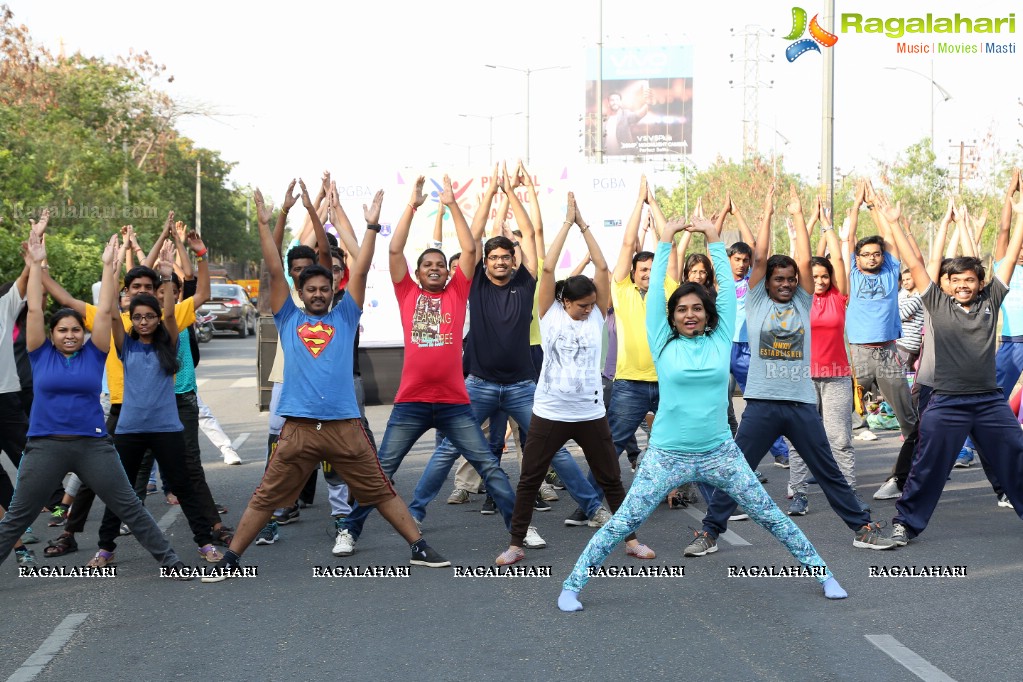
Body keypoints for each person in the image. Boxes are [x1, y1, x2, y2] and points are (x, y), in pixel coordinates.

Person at [558, 204, 847, 612]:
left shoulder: (720, 337)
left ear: (707, 314)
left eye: (696, 308)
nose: (689, 314)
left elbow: (726, 289)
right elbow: (659, 286)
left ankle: (824, 574)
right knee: (624, 521)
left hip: (720, 454)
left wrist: (714, 238)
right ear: (671, 316)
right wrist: (664, 240)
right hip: (665, 456)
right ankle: (572, 585)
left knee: (771, 518)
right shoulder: (662, 341)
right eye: (681, 309)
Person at [205, 181, 448, 583]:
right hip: (298, 428)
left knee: (380, 490)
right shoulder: (288, 317)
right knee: (266, 496)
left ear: (334, 288)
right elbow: (271, 268)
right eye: (310, 289)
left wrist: (370, 228)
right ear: (299, 291)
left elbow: (364, 267)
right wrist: (268, 222)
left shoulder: (345, 315)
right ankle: (232, 557)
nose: (318, 294)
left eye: (324, 288)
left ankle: (418, 546)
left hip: (344, 428)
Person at [683, 186, 896, 559]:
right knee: (737, 471)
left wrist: (798, 216)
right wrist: (766, 213)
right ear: (765, 283)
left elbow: (801, 259)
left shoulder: (803, 299)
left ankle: (862, 528)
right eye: (778, 279)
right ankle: (709, 533)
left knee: (828, 470)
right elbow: (761, 258)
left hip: (799, 404)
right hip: (762, 404)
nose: (785, 283)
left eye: (790, 279)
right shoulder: (755, 299)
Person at [408, 165, 604, 536]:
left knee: (554, 451)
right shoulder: (476, 283)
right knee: (448, 450)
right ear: (486, 262)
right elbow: (475, 235)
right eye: (493, 257)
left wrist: (513, 193)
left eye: (506, 257)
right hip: (479, 385)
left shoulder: (527, 281)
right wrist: (487, 195)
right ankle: (414, 511)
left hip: (522, 387)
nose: (500, 262)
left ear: (514, 260)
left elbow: (530, 233)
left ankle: (593, 508)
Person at [336, 175, 520, 554]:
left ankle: (518, 530)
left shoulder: (457, 290)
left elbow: (470, 251)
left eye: (440, 264)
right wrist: (412, 205)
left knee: (488, 465)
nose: (435, 267)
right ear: (418, 274)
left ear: (448, 273)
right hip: (412, 402)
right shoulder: (407, 293)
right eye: (428, 265)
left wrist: (452, 204)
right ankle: (350, 530)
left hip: (454, 403)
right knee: (382, 471)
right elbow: (394, 252)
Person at [0, 230, 190, 577]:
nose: (70, 334)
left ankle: (171, 562)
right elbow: (36, 308)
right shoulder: (39, 354)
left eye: (75, 329)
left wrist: (109, 268)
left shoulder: (95, 353)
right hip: (45, 446)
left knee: (130, 506)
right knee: (16, 517)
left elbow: (105, 310)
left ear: (83, 334)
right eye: (62, 330)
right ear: (52, 335)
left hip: (93, 445)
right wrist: (35, 265)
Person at [496, 193, 653, 565]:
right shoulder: (549, 312)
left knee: (612, 479)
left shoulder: (597, 313)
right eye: (581, 306)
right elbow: (548, 271)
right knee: (529, 479)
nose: (587, 311)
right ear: (566, 302)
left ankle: (631, 540)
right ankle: (516, 543)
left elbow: (601, 266)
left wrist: (584, 225)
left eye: (591, 305)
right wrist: (565, 225)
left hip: (589, 412)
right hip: (549, 411)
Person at [884, 195, 1023, 544]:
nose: (963, 286)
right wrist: (898, 223)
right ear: (946, 282)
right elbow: (915, 262)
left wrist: (1020, 218)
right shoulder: (936, 302)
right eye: (956, 280)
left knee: (1016, 454)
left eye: (970, 281)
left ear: (980, 283)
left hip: (990, 402)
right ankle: (905, 523)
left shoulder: (991, 300)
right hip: (946, 402)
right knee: (927, 466)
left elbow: (1007, 260)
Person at [95, 240, 220, 568]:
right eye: (138, 317)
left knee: (183, 486)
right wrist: (109, 266)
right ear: (132, 320)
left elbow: (168, 311)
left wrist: (166, 275)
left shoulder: (169, 341)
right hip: (130, 430)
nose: (144, 321)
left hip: (166, 429)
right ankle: (105, 549)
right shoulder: (126, 346)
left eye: (149, 317)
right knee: (119, 490)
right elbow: (109, 309)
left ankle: (205, 543)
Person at [786, 199, 862, 515]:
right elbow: (799, 262)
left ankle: (848, 494)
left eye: (824, 276)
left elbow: (841, 260)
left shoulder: (838, 297)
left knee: (839, 438)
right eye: (814, 276)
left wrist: (828, 225)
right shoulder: (798, 298)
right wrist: (805, 220)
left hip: (836, 376)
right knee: (799, 440)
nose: (818, 281)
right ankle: (799, 493)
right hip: (801, 378)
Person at [845, 182, 919, 500]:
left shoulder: (890, 271)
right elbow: (848, 238)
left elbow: (889, 240)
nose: (873, 258)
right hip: (857, 354)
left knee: (910, 419)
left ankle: (903, 478)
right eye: (866, 255)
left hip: (888, 353)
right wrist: (857, 204)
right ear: (857, 258)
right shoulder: (852, 272)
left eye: (876, 254)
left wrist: (878, 210)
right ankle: (822, 472)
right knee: (829, 410)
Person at [605, 88, 650, 155]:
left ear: (620, 102)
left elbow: (638, 115)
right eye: (612, 100)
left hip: (624, 157)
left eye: (617, 100)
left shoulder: (625, 115)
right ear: (608, 103)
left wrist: (648, 104)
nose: (615, 102)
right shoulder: (604, 120)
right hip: (607, 158)